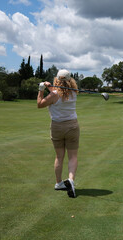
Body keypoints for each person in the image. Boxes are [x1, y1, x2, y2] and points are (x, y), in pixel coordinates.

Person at [37, 69, 79, 198]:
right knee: (72, 156)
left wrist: (41, 89)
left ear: (57, 80)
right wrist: (50, 88)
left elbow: (40, 104)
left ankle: (59, 183)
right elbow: (60, 94)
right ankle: (70, 179)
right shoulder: (74, 93)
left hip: (57, 127)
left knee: (59, 156)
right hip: (72, 126)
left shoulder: (54, 95)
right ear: (70, 80)